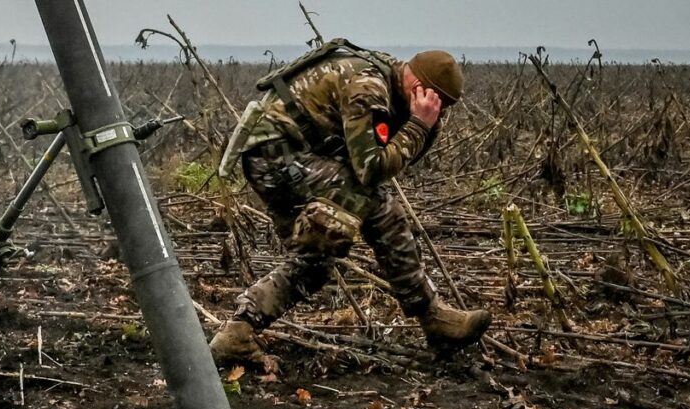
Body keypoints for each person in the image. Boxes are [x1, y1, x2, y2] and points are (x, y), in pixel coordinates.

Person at [210, 40, 491, 362]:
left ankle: (237, 334)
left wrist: (425, 126)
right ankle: (434, 318)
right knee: (382, 208)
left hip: (280, 158)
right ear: (418, 86)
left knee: (315, 262)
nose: (438, 111)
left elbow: (389, 159)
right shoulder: (369, 87)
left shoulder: (391, 77)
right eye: (438, 103)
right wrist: (418, 125)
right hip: (279, 158)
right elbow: (371, 170)